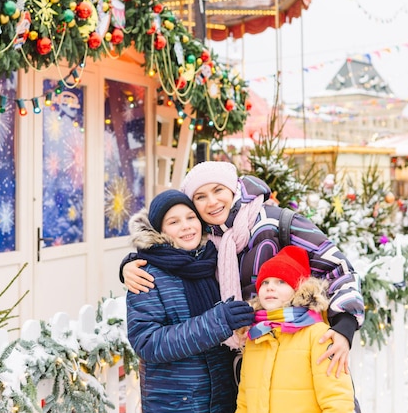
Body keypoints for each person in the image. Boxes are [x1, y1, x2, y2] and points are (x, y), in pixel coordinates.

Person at [121, 161, 365, 378]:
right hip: (244, 365)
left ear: (233, 189)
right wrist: (129, 264)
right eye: (201, 196)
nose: (213, 202)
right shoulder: (207, 240)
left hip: (295, 355)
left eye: (218, 190)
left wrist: (344, 326)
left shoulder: (276, 222)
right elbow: (168, 253)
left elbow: (337, 267)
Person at [126, 189, 255, 413]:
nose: (186, 226)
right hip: (177, 406)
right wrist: (219, 321)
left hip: (221, 399)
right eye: (173, 222)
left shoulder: (214, 260)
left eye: (190, 217)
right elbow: (147, 342)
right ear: (160, 231)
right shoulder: (146, 274)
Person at [234, 245, 358, 413]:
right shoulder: (255, 338)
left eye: (281, 282)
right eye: (265, 282)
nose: (270, 287)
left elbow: (339, 405)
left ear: (298, 289)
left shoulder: (318, 336)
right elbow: (244, 404)